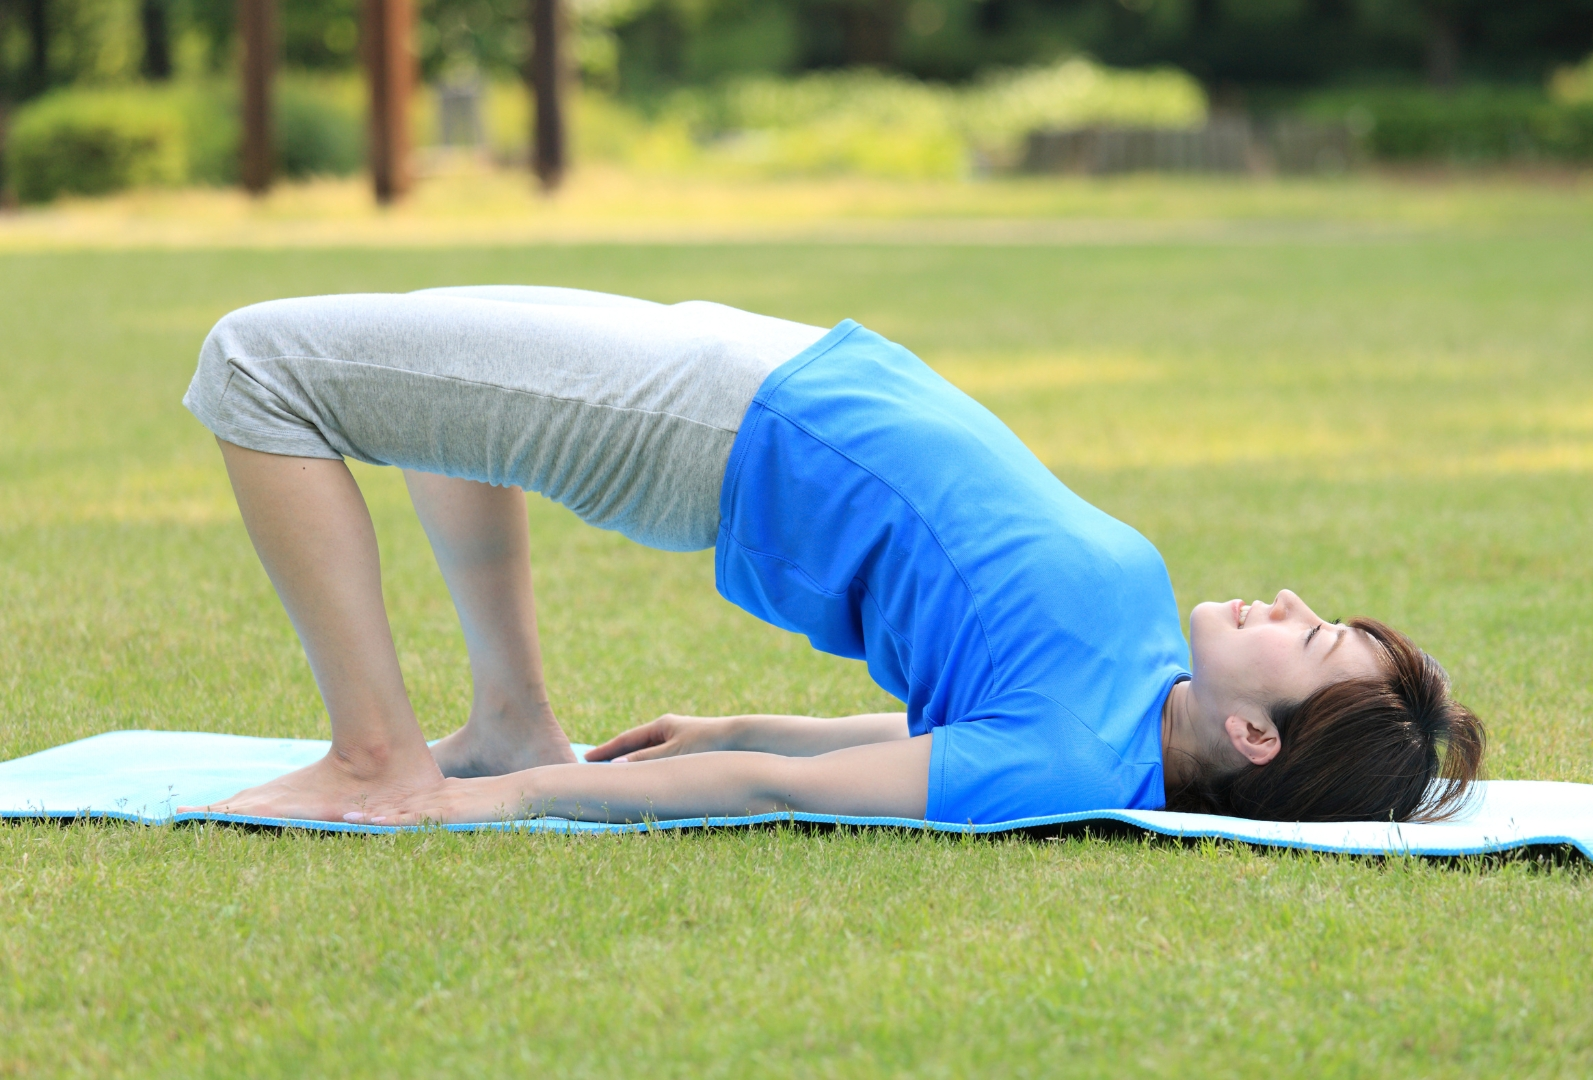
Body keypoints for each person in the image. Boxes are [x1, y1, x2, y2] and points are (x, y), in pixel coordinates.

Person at [178, 286, 1483, 828]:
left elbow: (783, 791)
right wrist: (742, 714)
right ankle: (510, 717)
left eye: (1307, 640)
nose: (1292, 602)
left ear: (1258, 741)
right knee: (429, 387)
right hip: (768, 376)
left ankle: (380, 762)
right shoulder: (1134, 696)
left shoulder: (1067, 763)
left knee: (255, 362)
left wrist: (516, 806)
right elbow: (900, 725)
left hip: (719, 427)